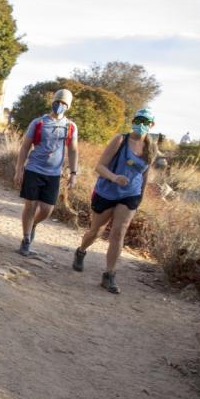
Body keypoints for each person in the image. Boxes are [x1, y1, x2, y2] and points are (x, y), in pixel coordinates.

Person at [72, 108, 158, 294]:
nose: (141, 125)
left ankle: (109, 275)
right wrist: (114, 177)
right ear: (133, 120)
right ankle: (81, 250)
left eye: (146, 122)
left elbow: (145, 175)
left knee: (119, 232)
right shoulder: (120, 140)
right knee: (96, 231)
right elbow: (99, 166)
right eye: (139, 120)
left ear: (152, 125)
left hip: (130, 194)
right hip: (107, 191)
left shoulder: (151, 148)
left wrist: (140, 197)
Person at [13, 88, 79, 255]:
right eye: (58, 102)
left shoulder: (70, 127)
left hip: (54, 173)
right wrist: (19, 169)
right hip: (34, 169)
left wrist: (73, 173)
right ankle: (26, 238)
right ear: (52, 102)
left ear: (68, 106)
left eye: (64, 103)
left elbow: (73, 150)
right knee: (31, 204)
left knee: (47, 209)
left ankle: (33, 224)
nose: (60, 105)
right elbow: (25, 147)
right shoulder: (38, 123)